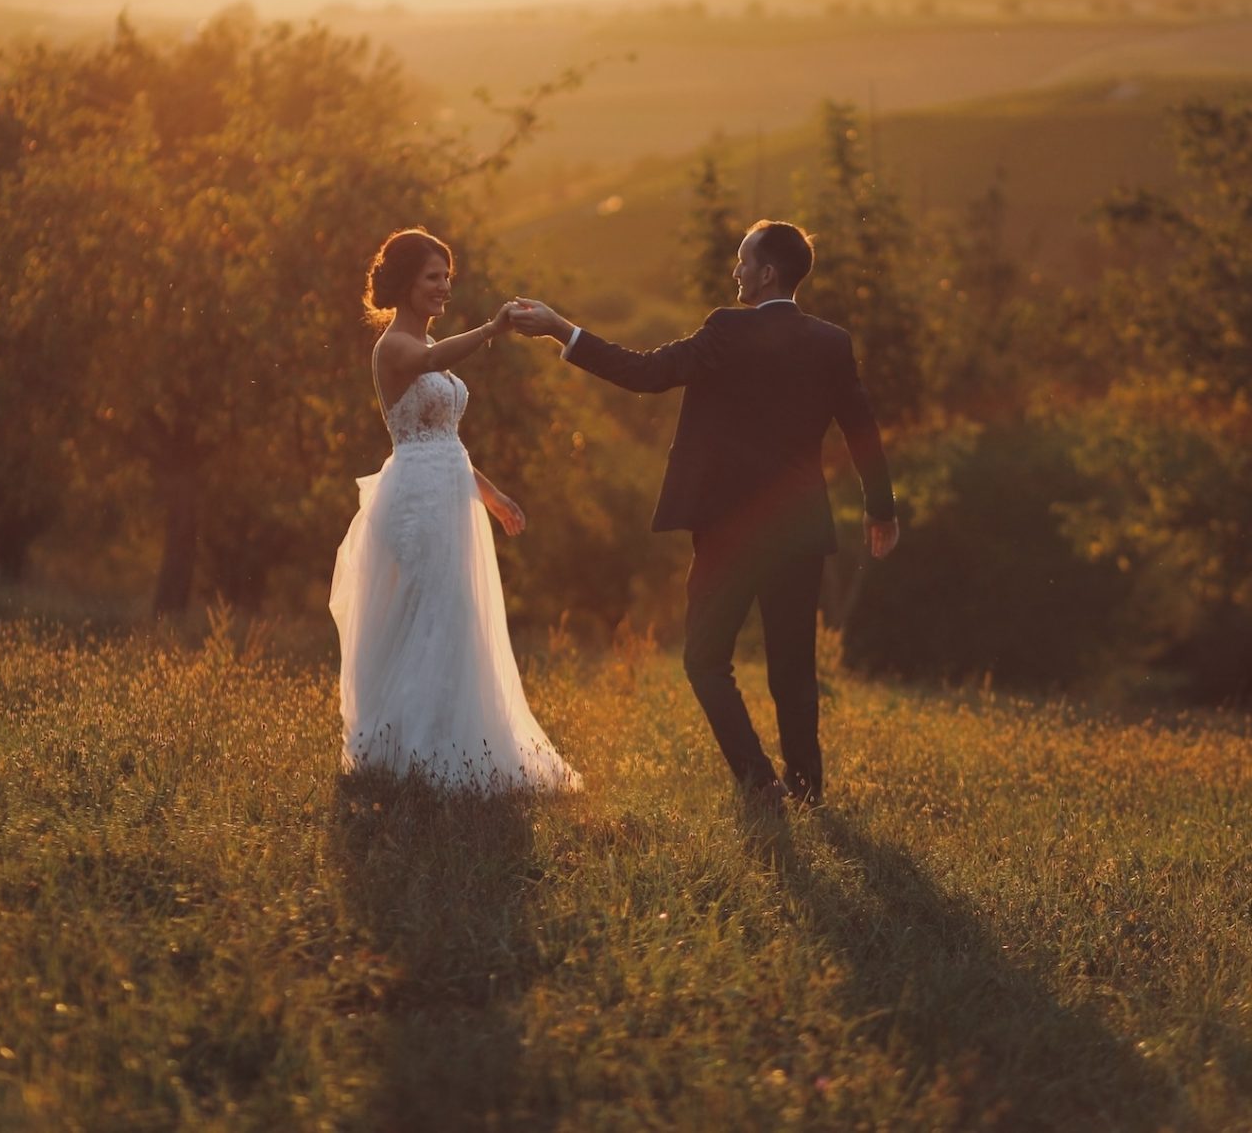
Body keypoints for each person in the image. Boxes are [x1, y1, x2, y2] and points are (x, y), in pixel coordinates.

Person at [508, 219, 898, 809]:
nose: (736, 270)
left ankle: (759, 782)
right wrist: (881, 510)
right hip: (800, 528)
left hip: (729, 529)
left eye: (744, 260)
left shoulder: (727, 329)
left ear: (767, 273)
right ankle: (806, 790)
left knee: (705, 658)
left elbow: (645, 373)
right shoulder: (831, 342)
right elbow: (862, 429)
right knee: (794, 668)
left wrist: (560, 328)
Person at [327, 227, 579, 792]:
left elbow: (447, 441)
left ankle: (451, 747)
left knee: (456, 613)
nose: (443, 286)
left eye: (446, 276)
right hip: (416, 499)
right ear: (405, 283)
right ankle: (412, 756)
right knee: (432, 613)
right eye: (432, 277)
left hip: (449, 492)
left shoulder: (428, 349)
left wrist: (491, 495)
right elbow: (430, 359)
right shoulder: (395, 346)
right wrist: (492, 329)